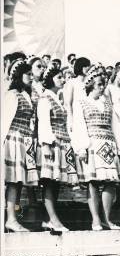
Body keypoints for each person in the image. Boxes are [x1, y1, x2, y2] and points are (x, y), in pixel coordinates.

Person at [71, 68, 120, 230]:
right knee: (93, 182)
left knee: (110, 182)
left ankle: (107, 219)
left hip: (108, 145)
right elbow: (79, 125)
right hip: (92, 145)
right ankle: (95, 219)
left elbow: (115, 127)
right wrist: (81, 147)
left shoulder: (108, 104)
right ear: (91, 86)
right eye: (99, 85)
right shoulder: (81, 103)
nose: (102, 88)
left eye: (103, 85)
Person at [37, 65, 78, 232]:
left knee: (55, 184)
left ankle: (48, 219)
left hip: (61, 143)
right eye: (59, 77)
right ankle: (54, 220)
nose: (63, 80)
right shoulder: (45, 98)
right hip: (52, 144)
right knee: (48, 183)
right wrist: (46, 146)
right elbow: (44, 123)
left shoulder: (57, 98)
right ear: (51, 79)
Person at [3, 60, 39, 232]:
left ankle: (13, 217)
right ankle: (10, 218)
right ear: (19, 75)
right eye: (28, 74)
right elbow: (4, 121)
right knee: (13, 180)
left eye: (32, 74)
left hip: (24, 140)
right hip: (13, 139)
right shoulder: (12, 95)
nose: (32, 77)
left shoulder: (26, 94)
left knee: (18, 181)